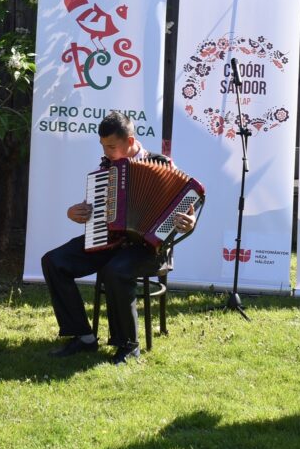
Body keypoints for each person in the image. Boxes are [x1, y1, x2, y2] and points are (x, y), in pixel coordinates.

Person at [41, 111, 196, 365]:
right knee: (53, 261)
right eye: (103, 146)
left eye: (112, 146)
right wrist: (77, 212)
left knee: (116, 270)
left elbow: (186, 209)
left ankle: (128, 345)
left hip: (149, 249)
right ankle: (83, 336)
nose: (107, 152)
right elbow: (94, 208)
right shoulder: (105, 169)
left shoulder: (162, 164)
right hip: (109, 241)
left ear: (131, 140)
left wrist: (189, 224)